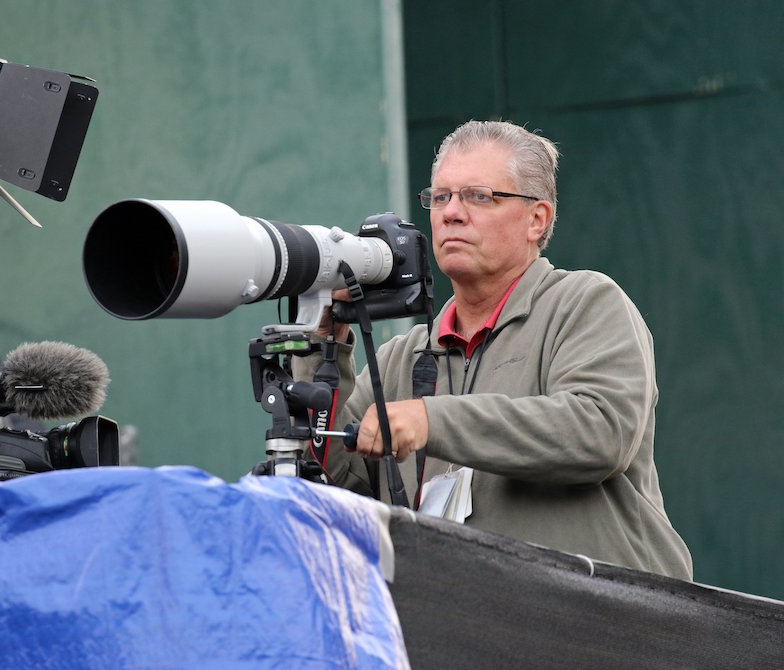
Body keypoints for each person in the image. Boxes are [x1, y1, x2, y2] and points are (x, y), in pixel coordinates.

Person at [295, 120, 692, 580]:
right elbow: (333, 478)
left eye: (478, 196)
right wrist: (326, 342)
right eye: (440, 197)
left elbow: (600, 431)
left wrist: (432, 420)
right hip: (466, 630)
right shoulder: (403, 359)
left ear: (536, 219)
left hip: (610, 631)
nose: (452, 213)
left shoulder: (585, 301)